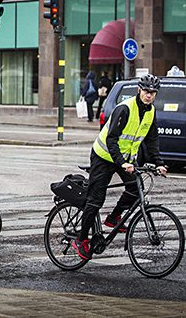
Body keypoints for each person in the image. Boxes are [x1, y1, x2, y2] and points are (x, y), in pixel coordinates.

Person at [72, 74, 168, 261]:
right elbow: (111, 139)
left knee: (135, 188)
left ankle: (113, 217)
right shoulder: (124, 108)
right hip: (104, 156)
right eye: (147, 91)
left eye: (153, 93)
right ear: (139, 90)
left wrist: (158, 163)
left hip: (124, 158)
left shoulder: (150, 112)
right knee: (95, 200)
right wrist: (121, 163)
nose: (149, 95)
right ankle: (81, 239)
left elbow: (152, 139)